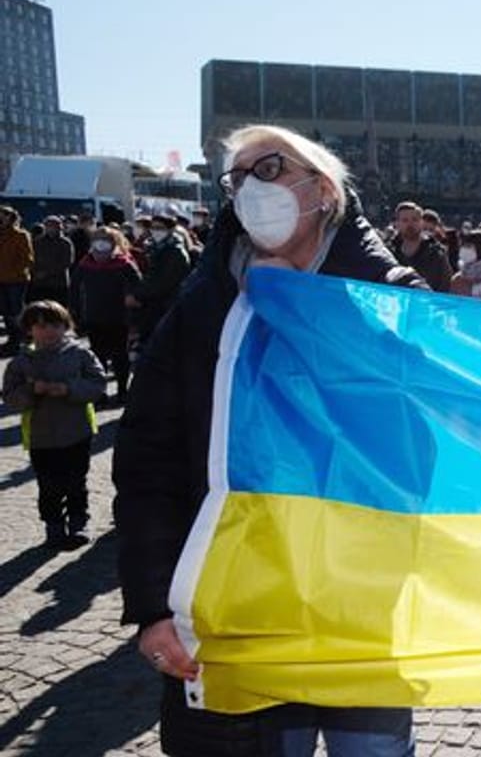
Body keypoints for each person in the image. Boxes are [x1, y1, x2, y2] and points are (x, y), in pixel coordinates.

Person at [114, 124, 426, 757]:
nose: (253, 189)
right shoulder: (198, 312)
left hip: (358, 610)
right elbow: (150, 465)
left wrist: (300, 313)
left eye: (271, 169)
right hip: (241, 615)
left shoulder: (391, 302)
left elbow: (431, 439)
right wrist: (151, 607)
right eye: (238, 179)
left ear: (324, 189)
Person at [1, 300, 105, 549]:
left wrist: (69, 389)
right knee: (48, 485)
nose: (48, 331)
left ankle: (79, 522)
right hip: (41, 435)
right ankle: (53, 525)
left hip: (77, 431)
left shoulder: (79, 353)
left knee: (76, 481)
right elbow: (10, 396)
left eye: (55, 325)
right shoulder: (22, 362)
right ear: (29, 330)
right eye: (40, 326)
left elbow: (98, 383)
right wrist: (32, 391)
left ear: (66, 326)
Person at [73, 226, 141, 404]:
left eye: (105, 239)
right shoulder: (85, 264)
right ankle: (100, 391)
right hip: (94, 316)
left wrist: (131, 297)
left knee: (120, 356)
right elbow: (74, 290)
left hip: (119, 317)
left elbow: (138, 285)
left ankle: (122, 390)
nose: (100, 243)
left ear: (113, 243)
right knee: (97, 357)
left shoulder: (124, 263)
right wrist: (75, 314)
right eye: (98, 238)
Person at [127, 212, 191, 345]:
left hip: (165, 307)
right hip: (151, 308)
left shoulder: (175, 252)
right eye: (153, 227)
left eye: (160, 228)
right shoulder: (152, 248)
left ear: (171, 229)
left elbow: (162, 283)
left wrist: (137, 296)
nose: (156, 231)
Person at [388, 200, 452, 292]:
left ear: (421, 222)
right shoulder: (389, 252)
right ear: (397, 223)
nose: (410, 224)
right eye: (405, 220)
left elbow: (444, 287)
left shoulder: (436, 253)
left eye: (415, 219)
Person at [0, 205, 34, 352]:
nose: (2, 217)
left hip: (16, 280)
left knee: (16, 310)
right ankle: (13, 339)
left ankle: (23, 337)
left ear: (11, 217)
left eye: (4, 215)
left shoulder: (21, 235)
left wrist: (15, 271)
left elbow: (28, 258)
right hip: (1, 279)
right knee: (5, 311)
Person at [30, 215, 74, 308]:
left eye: (53, 226)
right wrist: (35, 272)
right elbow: (31, 258)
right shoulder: (38, 242)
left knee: (58, 309)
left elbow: (67, 262)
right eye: (48, 226)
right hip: (40, 284)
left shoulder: (65, 243)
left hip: (58, 284)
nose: (51, 229)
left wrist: (47, 273)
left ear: (59, 227)